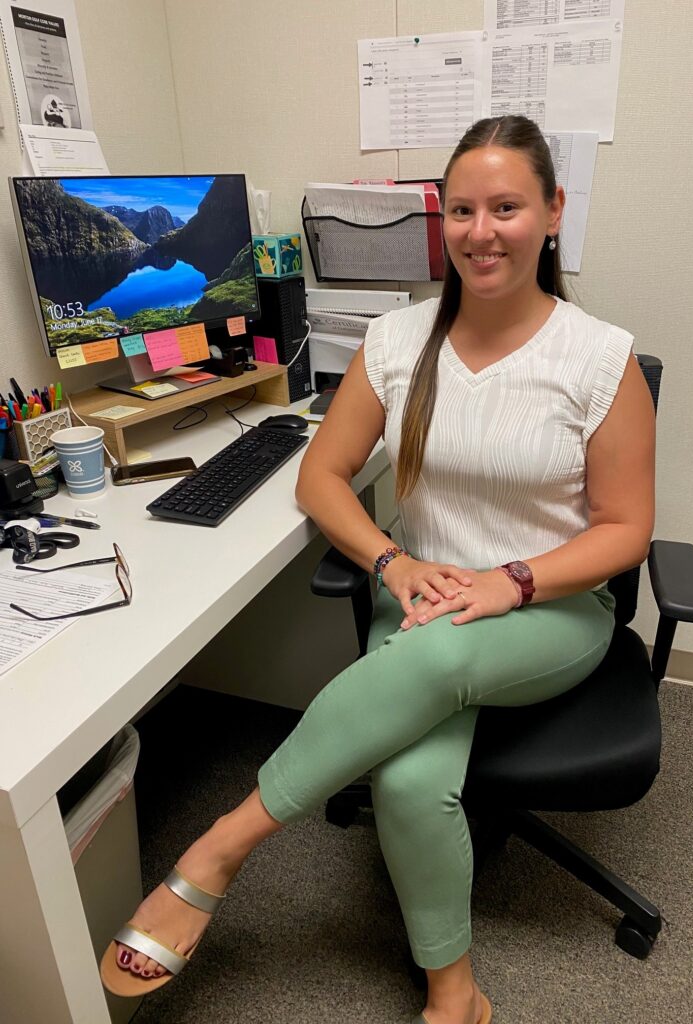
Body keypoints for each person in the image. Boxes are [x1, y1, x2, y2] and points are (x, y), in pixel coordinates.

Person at [101, 115, 655, 1024]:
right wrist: (393, 562)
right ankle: (456, 997)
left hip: (550, 608)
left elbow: (628, 529)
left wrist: (507, 581)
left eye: (508, 207)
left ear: (553, 213)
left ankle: (219, 849)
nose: (483, 231)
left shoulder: (598, 358)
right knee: (404, 779)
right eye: (464, 210)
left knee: (434, 659)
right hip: (425, 598)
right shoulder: (399, 343)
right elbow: (321, 477)